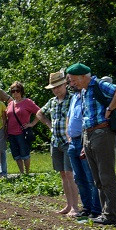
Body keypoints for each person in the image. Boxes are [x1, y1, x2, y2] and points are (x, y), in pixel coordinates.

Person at [67, 63, 116, 225]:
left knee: (106, 176)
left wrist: (110, 108)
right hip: (89, 134)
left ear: (82, 76)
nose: (72, 84)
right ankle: (103, 212)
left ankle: (112, 215)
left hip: (102, 133)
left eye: (73, 80)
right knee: (97, 178)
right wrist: (85, 141)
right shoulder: (84, 91)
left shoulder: (98, 84)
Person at [36, 70, 79, 217]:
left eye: (58, 86)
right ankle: (68, 204)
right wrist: (49, 125)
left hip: (69, 141)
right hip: (55, 142)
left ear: (65, 85)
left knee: (69, 173)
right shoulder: (52, 102)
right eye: (53, 88)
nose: (56, 90)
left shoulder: (73, 99)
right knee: (62, 174)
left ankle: (75, 206)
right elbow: (39, 113)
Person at [65, 77, 101, 219]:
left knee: (90, 176)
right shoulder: (74, 97)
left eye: (73, 82)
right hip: (73, 141)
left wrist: (85, 140)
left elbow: (88, 118)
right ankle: (86, 207)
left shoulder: (88, 96)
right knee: (78, 177)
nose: (71, 85)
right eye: (70, 83)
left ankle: (96, 209)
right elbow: (69, 116)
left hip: (84, 139)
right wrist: (68, 135)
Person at [6, 81, 40, 174]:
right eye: (13, 91)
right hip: (11, 133)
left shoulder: (27, 102)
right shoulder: (10, 104)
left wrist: (32, 124)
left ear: (21, 91)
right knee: (16, 155)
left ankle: (27, 173)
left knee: (25, 154)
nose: (15, 93)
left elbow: (40, 112)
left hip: (22, 132)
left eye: (17, 90)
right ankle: (22, 173)